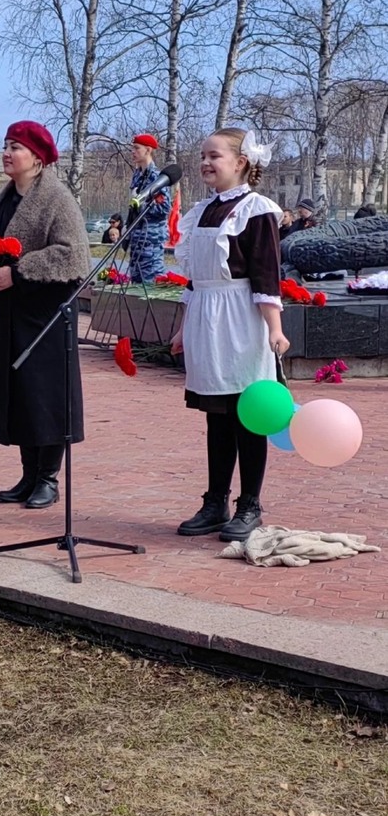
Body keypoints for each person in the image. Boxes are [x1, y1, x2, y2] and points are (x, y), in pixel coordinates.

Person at [170, 127, 289, 542]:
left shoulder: (256, 210)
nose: (205, 162)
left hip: (240, 319)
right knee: (217, 416)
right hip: (206, 317)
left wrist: (274, 328)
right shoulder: (201, 211)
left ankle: (249, 505)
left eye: (214, 156)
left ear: (241, 162)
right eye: (202, 155)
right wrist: (183, 329)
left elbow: (266, 273)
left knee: (249, 415)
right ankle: (215, 501)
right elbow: (194, 278)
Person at [0, 121, 88, 508]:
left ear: (37, 158)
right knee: (17, 394)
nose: (7, 153)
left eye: (15, 147)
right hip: (11, 315)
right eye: (5, 145)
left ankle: (48, 478)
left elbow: (72, 255)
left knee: (45, 395)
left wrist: (16, 273)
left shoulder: (57, 198)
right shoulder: (3, 198)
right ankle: (27, 473)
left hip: (45, 316)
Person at [127, 134, 170, 284]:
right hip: (137, 240)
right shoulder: (138, 175)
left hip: (150, 241)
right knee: (136, 286)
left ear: (148, 150)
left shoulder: (156, 177)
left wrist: (142, 205)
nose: (133, 151)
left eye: (136, 148)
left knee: (150, 284)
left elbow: (164, 208)